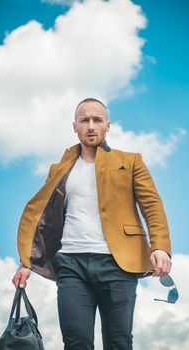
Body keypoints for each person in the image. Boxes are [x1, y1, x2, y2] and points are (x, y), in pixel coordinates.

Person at [12, 97, 172, 349]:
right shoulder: (59, 169)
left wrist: (160, 246)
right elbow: (45, 218)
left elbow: (152, 206)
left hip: (118, 265)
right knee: (76, 342)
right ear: (74, 126)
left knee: (118, 341)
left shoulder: (131, 161)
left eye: (97, 120)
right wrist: (26, 262)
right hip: (71, 264)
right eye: (84, 120)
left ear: (108, 125)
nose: (90, 125)